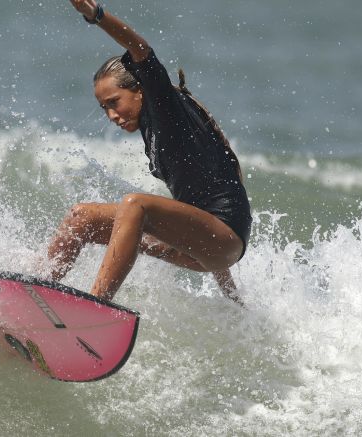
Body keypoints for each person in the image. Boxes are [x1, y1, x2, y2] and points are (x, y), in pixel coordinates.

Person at [46, 1, 252, 304]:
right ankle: (34, 288)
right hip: (198, 244)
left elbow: (141, 49)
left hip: (224, 238)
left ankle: (95, 305)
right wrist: (232, 295)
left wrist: (97, 16)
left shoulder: (165, 107)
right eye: (104, 108)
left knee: (135, 205)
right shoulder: (150, 129)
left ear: (141, 89)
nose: (111, 115)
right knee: (82, 217)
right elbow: (194, 206)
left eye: (114, 102)